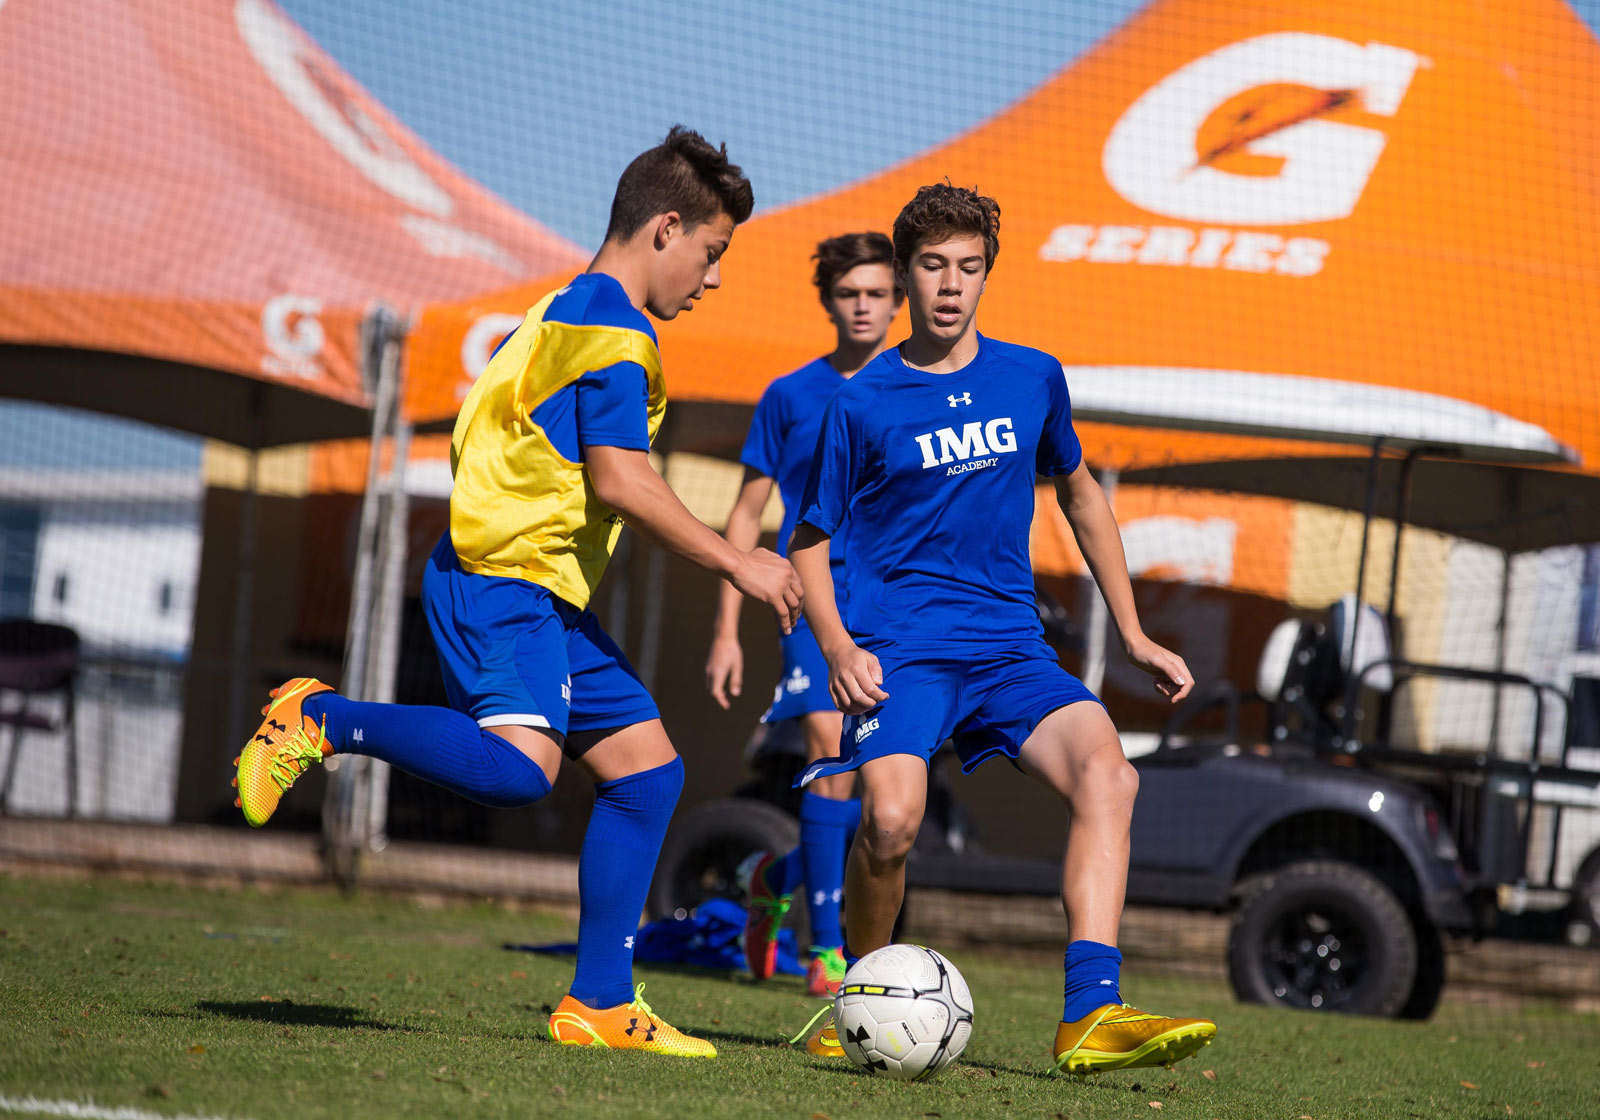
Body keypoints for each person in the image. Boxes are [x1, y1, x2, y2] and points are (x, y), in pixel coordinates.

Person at [232, 126, 802, 1060]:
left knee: (648, 772)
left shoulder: (559, 312)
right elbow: (621, 478)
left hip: (538, 596)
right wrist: (739, 561)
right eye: (712, 251)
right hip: (506, 587)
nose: (713, 277)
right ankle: (322, 719)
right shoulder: (616, 333)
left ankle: (601, 1004)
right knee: (515, 771)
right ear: (666, 229)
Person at [786, 183, 1217, 1074]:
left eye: (969, 268)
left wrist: (1131, 634)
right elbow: (808, 542)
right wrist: (837, 647)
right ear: (905, 273)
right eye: (934, 266)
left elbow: (1082, 494)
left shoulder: (1032, 376)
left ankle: (1090, 1014)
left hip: (1010, 651)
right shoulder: (861, 403)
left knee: (1111, 775)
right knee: (894, 823)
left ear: (989, 273)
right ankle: (862, 994)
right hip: (901, 653)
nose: (951, 285)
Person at [704, 232, 901, 997]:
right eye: (849, 293)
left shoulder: (916, 386)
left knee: (873, 788)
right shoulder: (789, 394)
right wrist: (726, 630)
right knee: (827, 744)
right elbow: (746, 515)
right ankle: (829, 956)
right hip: (806, 601)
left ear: (897, 301)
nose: (863, 306)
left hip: (891, 608)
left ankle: (771, 880)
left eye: (876, 293)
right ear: (828, 301)